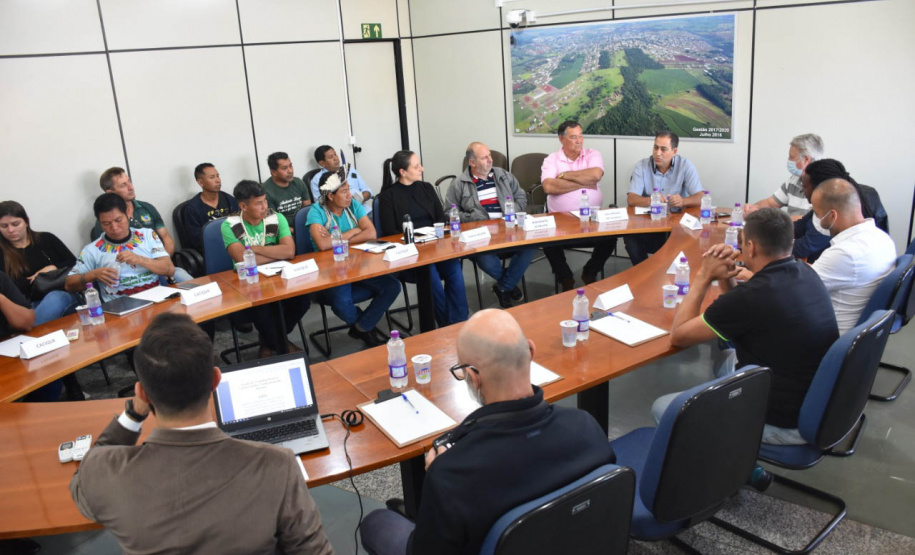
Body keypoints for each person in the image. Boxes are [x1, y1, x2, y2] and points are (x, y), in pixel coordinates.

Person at [69, 312, 333, 555]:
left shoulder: (106, 472)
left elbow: (83, 480)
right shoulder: (277, 465)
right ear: (216, 380)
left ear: (141, 394)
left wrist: (133, 414)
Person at [359, 309, 616, 555]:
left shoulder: (452, 474)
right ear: (530, 351)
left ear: (474, 377)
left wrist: (439, 475)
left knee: (375, 523)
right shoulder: (586, 426)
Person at [657, 208, 838, 448]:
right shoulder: (805, 272)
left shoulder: (752, 296)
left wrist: (703, 276)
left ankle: (737, 464)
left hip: (784, 423)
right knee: (726, 359)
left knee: (664, 409)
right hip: (817, 404)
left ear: (751, 247)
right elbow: (739, 312)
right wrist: (725, 276)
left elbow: (679, 336)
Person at [306, 169, 400, 346]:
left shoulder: (354, 205)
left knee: (392, 286)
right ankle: (367, 329)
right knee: (341, 303)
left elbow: (371, 233)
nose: (350, 194)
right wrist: (355, 231)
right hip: (332, 272)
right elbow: (323, 245)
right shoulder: (316, 211)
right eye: (344, 191)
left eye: (349, 189)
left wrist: (338, 238)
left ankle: (362, 328)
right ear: (331, 196)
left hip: (359, 264)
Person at [378, 150, 468, 326]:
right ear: (403, 172)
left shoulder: (426, 188)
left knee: (454, 268)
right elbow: (390, 233)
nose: (422, 168)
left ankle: (460, 322)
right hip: (411, 254)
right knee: (429, 274)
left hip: (435, 246)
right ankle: (446, 325)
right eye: (416, 166)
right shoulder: (388, 197)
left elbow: (440, 218)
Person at [222, 180, 310, 358]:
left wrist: (254, 249)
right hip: (249, 282)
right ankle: (282, 347)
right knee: (262, 308)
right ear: (243, 206)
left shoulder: (276, 218)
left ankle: (268, 341)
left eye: (265, 201)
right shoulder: (229, 225)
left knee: (303, 300)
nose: (265, 207)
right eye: (259, 203)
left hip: (279, 277)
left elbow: (289, 251)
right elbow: (242, 259)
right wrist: (275, 253)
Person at [445, 142, 536, 308]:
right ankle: (508, 285)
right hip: (480, 235)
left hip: (509, 229)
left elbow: (521, 197)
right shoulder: (459, 184)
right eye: (484, 157)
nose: (490, 160)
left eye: (490, 156)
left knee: (531, 246)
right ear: (472, 162)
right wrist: (472, 217)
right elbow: (449, 212)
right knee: (484, 258)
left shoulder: (504, 175)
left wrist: (511, 211)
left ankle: (503, 286)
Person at [809, 179, 896, 334]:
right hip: (858, 336)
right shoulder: (882, 238)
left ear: (832, 215)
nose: (815, 219)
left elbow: (792, 292)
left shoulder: (845, 253)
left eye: (817, 213)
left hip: (827, 336)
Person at [540, 120, 614, 291]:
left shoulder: (592, 154)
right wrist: (584, 183)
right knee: (548, 241)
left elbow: (595, 175)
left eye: (581, 136)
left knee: (610, 238)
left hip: (592, 218)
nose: (579, 140)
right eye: (573, 137)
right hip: (561, 220)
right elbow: (549, 187)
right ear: (561, 139)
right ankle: (565, 278)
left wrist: (565, 175)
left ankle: (590, 271)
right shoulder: (551, 160)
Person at [67, 193, 175, 303]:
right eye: (106, 223)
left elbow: (169, 270)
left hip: (156, 298)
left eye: (118, 220)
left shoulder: (147, 235)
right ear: (99, 222)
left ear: (128, 212)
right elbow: (69, 285)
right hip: (120, 307)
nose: (114, 228)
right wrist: (93, 274)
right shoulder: (91, 250)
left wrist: (141, 260)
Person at [96, 167, 193, 282]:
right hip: (134, 275)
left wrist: (162, 263)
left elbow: (166, 238)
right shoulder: (106, 222)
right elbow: (110, 258)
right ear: (110, 193)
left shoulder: (147, 208)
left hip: (161, 266)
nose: (131, 187)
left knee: (192, 284)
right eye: (123, 185)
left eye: (129, 182)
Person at [625, 131, 704, 265]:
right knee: (630, 238)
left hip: (676, 226)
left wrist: (683, 201)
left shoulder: (685, 165)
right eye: (655, 147)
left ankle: (670, 275)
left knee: (688, 239)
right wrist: (650, 200)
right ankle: (644, 272)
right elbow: (631, 198)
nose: (658, 153)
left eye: (663, 149)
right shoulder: (642, 166)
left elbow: (701, 197)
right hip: (649, 224)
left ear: (674, 151)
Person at [793, 158, 888, 263]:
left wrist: (774, 244)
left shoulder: (831, 221)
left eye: (805, 186)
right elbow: (801, 226)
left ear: (821, 189)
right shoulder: (828, 205)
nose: (802, 190)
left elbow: (803, 248)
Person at [0, 201, 79, 325]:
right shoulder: (2, 253)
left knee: (55, 298)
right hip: (25, 306)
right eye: (4, 226)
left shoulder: (46, 239)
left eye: (15, 224)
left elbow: (74, 264)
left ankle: (29, 336)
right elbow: (7, 289)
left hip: (60, 294)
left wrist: (52, 268)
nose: (10, 230)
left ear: (26, 221)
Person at [745, 133, 824, 217]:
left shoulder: (825, 187)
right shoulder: (794, 180)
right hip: (790, 228)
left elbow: (811, 221)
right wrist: (753, 208)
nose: (788, 160)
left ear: (806, 159)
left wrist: (781, 221)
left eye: (791, 157)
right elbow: (770, 203)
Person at [183, 163, 239, 253]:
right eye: (212, 177)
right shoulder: (193, 208)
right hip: (212, 251)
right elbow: (197, 241)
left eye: (218, 176)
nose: (218, 180)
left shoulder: (229, 199)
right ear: (200, 182)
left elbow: (239, 226)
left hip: (234, 245)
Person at [309, 145, 373, 214]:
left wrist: (360, 198)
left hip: (365, 211)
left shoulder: (351, 170)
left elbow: (367, 190)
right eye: (331, 157)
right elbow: (321, 203)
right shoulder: (317, 180)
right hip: (342, 216)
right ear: (322, 163)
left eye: (335, 154)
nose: (336, 158)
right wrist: (346, 202)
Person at [263, 151, 312, 229]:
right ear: (273, 172)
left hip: (304, 225)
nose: (290, 171)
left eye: (290, 166)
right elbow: (273, 221)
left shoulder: (298, 182)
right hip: (284, 230)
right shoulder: (265, 191)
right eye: (284, 168)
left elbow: (307, 209)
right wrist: (295, 231)